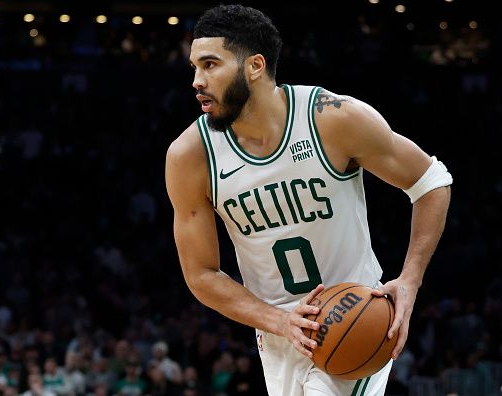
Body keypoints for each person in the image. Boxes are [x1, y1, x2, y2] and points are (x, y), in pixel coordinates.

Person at [164, 4, 452, 396]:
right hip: (278, 336)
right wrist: (279, 321)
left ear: (255, 66)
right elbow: (201, 274)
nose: (197, 80)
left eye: (210, 65)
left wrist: (411, 280)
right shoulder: (191, 156)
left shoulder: (332, 119)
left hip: (354, 316)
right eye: (195, 67)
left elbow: (431, 181)